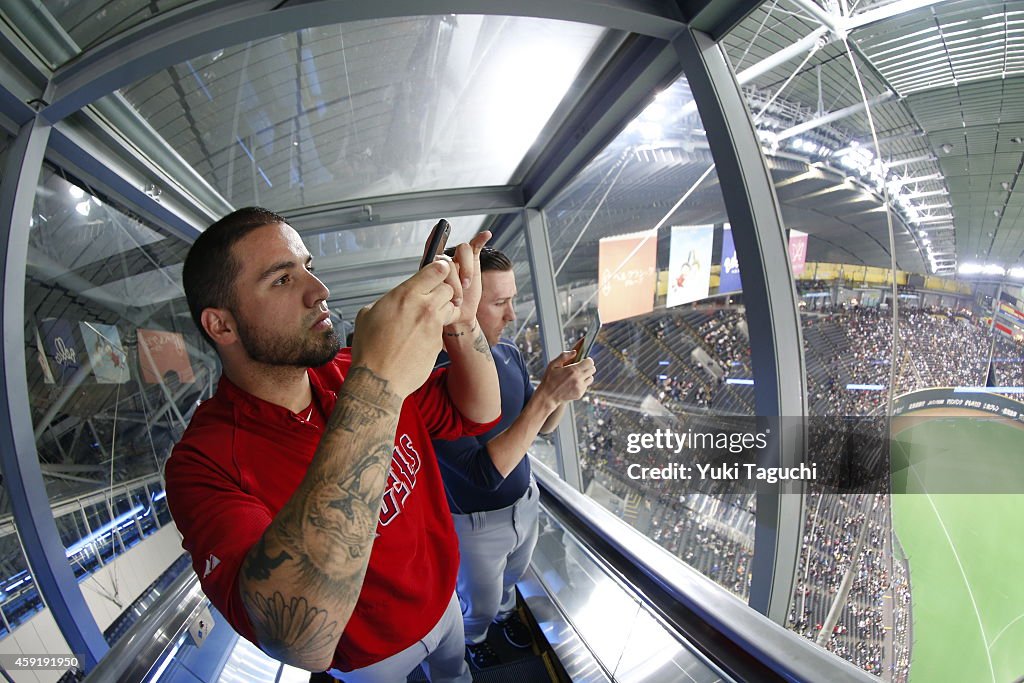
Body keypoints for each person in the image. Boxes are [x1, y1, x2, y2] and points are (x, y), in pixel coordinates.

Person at [164, 207, 501, 682]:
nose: (318, 291)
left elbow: (478, 412)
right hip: (370, 659)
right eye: (282, 280)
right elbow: (297, 637)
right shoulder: (203, 464)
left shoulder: (350, 366)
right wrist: (377, 386)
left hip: (444, 600)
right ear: (222, 326)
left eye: (309, 268)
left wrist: (463, 324)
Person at [431, 247, 595, 668]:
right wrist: (545, 396)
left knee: (509, 585)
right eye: (499, 303)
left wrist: (557, 393)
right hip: (475, 523)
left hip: (525, 503)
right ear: (460, 303)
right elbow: (482, 474)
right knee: (479, 601)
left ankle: (504, 616)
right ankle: (476, 635)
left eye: (512, 300)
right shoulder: (431, 377)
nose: (511, 316)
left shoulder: (510, 355)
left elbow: (543, 427)